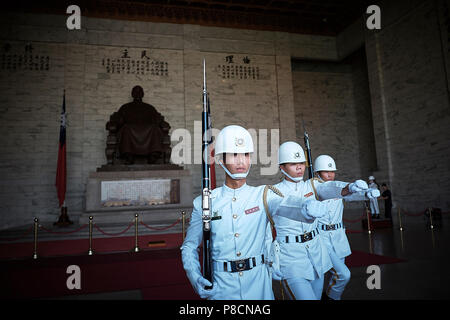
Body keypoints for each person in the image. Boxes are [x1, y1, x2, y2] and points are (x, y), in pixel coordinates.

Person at [180, 126, 343, 300]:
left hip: (259, 286)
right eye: (234, 155)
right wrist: (194, 276)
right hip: (222, 289)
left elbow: (285, 204)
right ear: (220, 160)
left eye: (246, 155)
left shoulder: (263, 194)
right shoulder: (205, 202)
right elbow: (189, 246)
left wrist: (306, 206)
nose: (241, 162)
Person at [272, 142, 370, 300]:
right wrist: (305, 205)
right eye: (292, 164)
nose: (299, 168)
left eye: (301, 164)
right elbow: (286, 205)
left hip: (315, 255)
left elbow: (329, 188)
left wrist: (349, 187)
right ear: (282, 167)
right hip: (291, 258)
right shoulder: (274, 191)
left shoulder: (312, 185)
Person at [313, 155, 380, 300]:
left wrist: (366, 194)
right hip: (321, 238)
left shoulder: (337, 185)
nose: (330, 174)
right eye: (325, 171)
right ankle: (331, 297)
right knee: (343, 274)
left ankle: (331, 297)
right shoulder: (314, 187)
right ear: (317, 172)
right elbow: (334, 188)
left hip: (338, 236)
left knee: (336, 276)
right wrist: (349, 186)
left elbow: (350, 195)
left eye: (332, 171)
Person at [116, 85, 169, 164]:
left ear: (143, 94)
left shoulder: (149, 108)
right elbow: (119, 121)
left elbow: (157, 119)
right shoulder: (125, 107)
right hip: (130, 131)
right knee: (126, 128)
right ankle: (129, 155)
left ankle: (153, 154)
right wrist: (113, 123)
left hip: (148, 131)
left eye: (139, 91)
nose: (137, 93)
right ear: (132, 94)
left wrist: (163, 123)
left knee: (154, 128)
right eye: (135, 92)